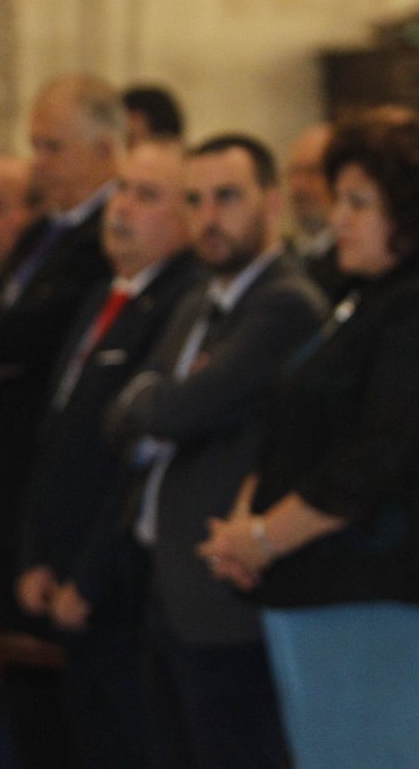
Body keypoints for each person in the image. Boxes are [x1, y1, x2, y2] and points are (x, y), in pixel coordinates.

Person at [199, 111, 419, 769]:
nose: (339, 217)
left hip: (380, 586)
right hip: (316, 584)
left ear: (414, 209)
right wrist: (244, 526)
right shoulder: (358, 299)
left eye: (359, 202)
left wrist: (260, 538)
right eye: (340, 199)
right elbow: (292, 424)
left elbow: (371, 461)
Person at [106, 134, 326, 769]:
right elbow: (119, 415)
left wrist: (162, 398)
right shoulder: (202, 295)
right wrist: (162, 399)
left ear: (273, 202)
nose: (209, 217)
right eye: (196, 200)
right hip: (168, 584)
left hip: (225, 595)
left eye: (227, 197)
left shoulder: (284, 302)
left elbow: (171, 409)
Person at [17, 138, 202, 769]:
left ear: (188, 216)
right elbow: (57, 437)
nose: (119, 208)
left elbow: (135, 459)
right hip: (62, 571)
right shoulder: (103, 294)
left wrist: (89, 576)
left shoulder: (180, 303)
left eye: (146, 195)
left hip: (118, 586)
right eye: (120, 189)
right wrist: (37, 553)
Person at [0, 73, 121, 626]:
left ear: (105, 149)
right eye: (35, 144)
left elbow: (19, 334)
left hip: (37, 470)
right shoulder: (49, 231)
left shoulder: (102, 239)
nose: (38, 162)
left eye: (53, 147)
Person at [283, 123, 345, 301]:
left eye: (313, 172)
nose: (299, 186)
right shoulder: (284, 255)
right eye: (294, 172)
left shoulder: (351, 262)